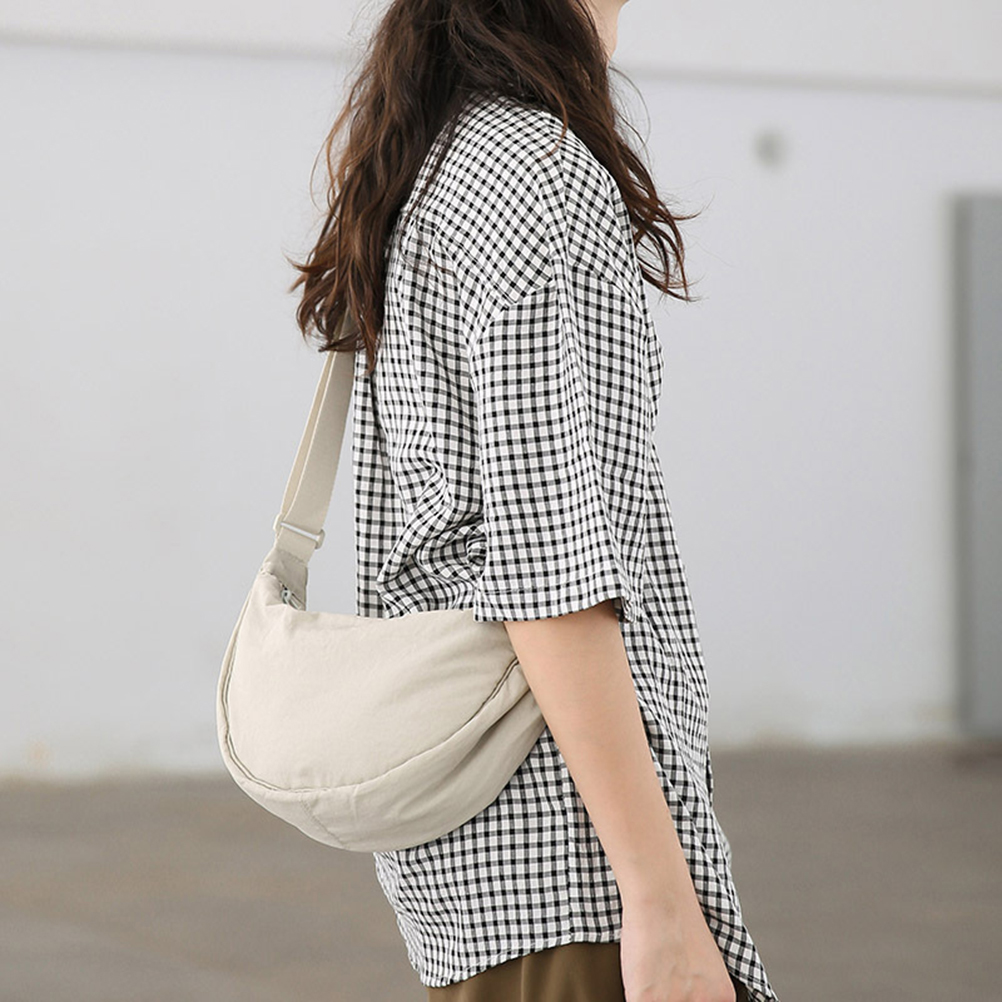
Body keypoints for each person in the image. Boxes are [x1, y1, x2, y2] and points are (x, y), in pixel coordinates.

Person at [288, 1, 782, 1000]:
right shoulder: (532, 168)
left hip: (487, 868)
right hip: (572, 865)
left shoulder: (440, 149)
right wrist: (659, 899)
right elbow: (548, 570)